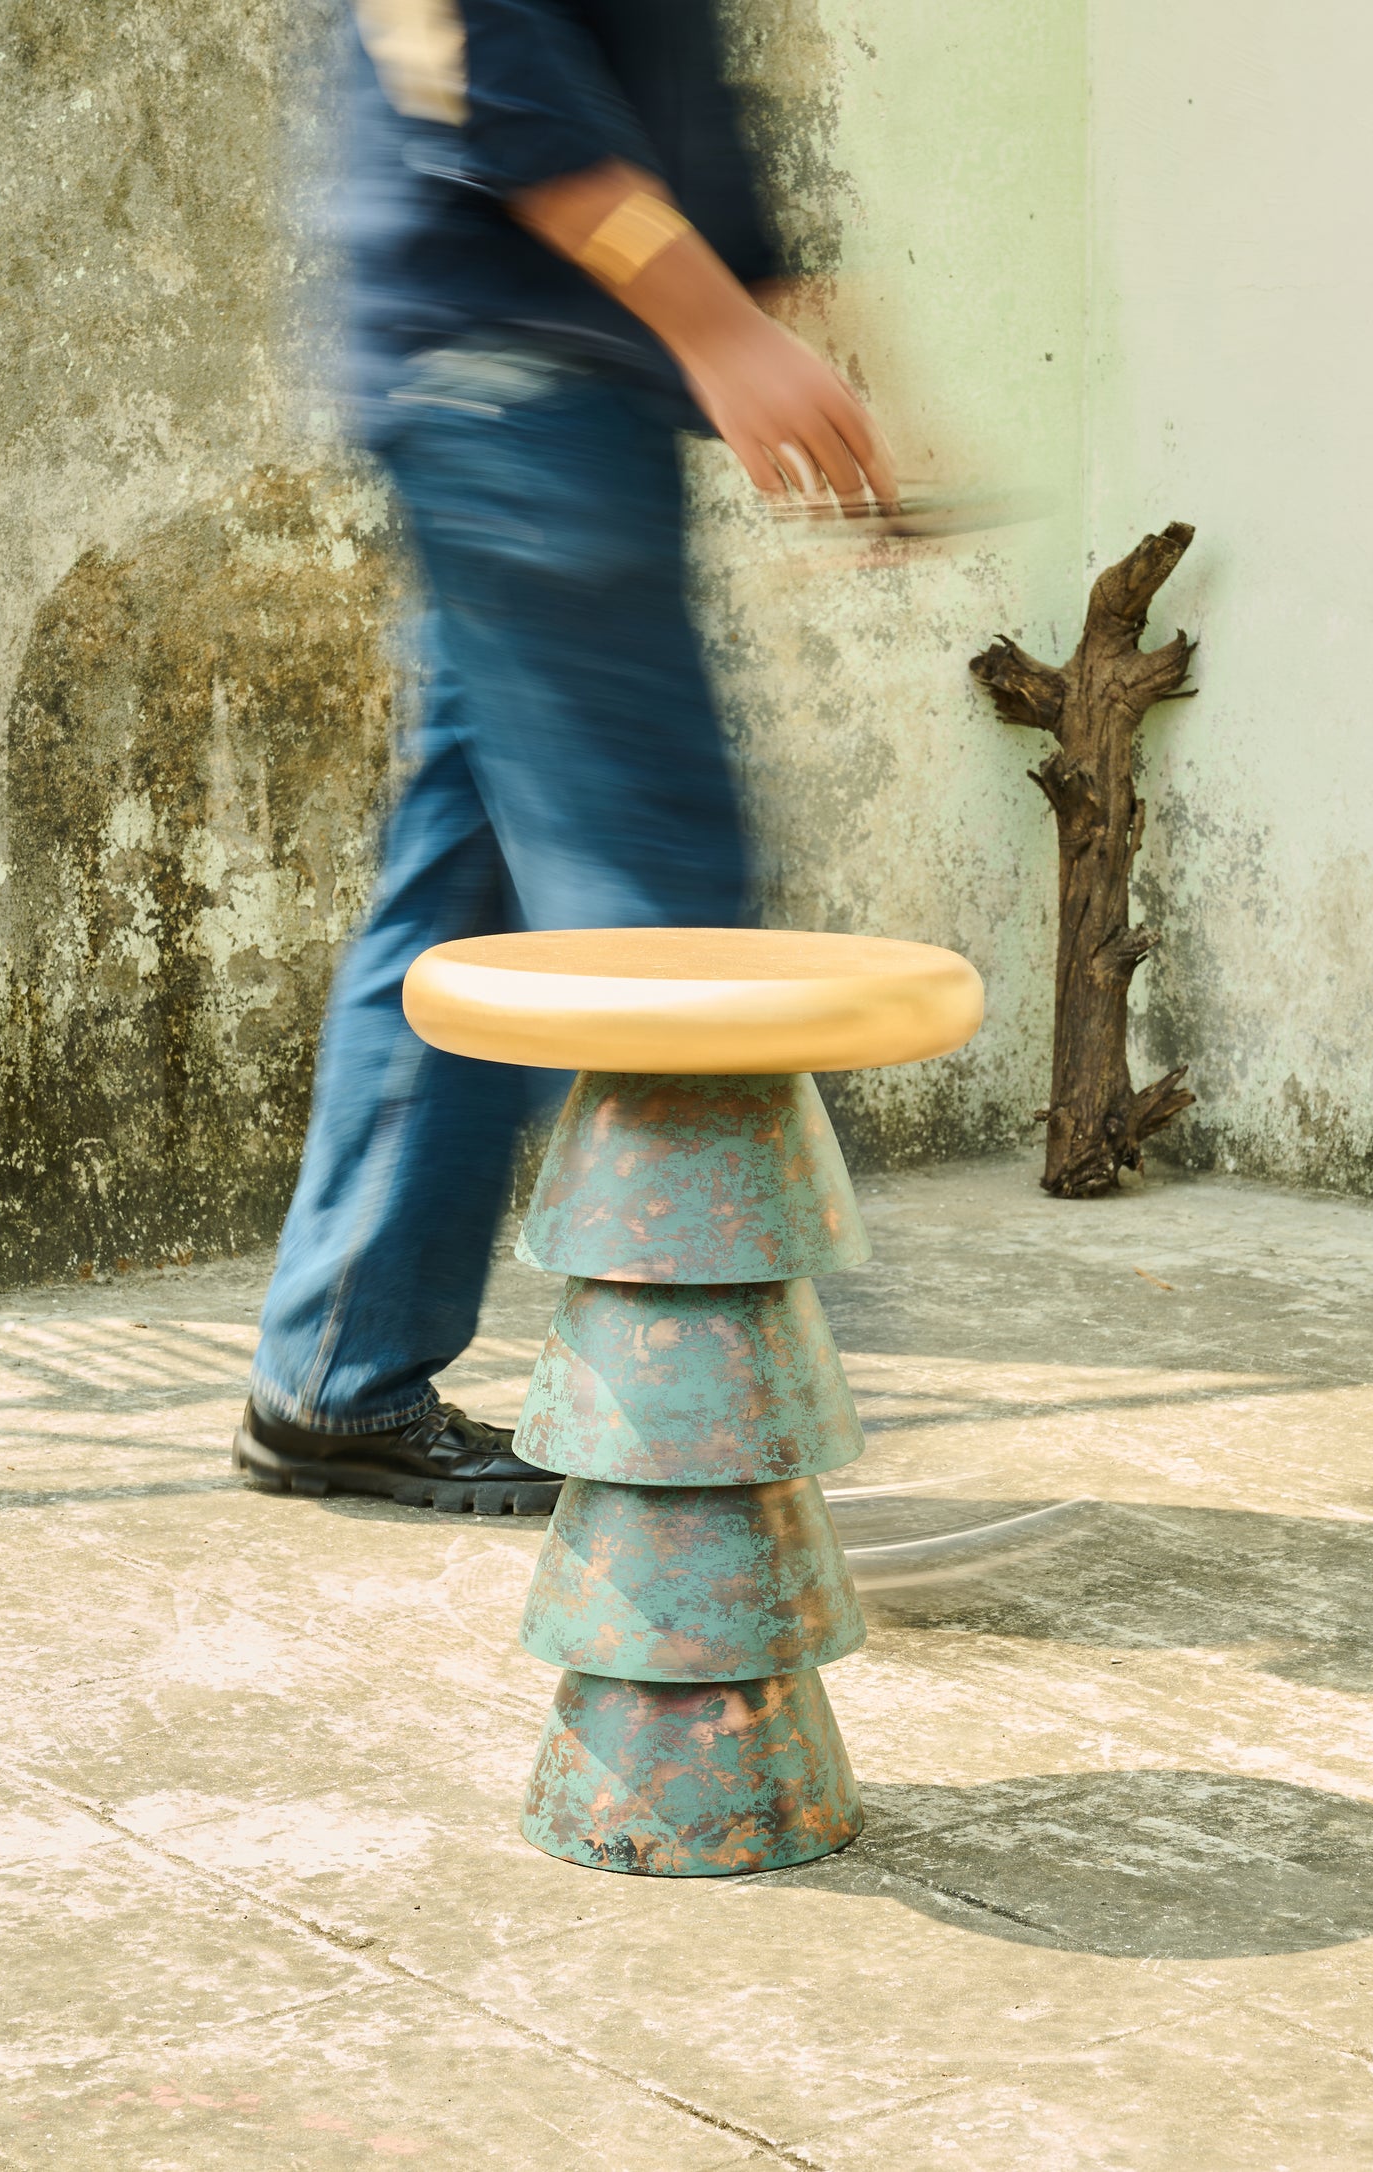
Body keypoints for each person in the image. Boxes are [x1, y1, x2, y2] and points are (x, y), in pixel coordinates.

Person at [234, 0, 897, 1513]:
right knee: (666, 922)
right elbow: (474, 55)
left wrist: (799, 337)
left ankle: (336, 1381)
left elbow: (670, 97)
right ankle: (745, 1462)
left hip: (536, 390)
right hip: (515, 390)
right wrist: (731, 336)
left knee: (464, 905)